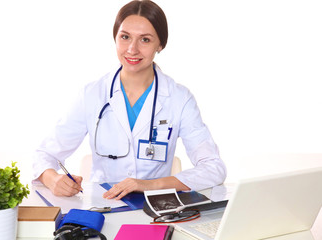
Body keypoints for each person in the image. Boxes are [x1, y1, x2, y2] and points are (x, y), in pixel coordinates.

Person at [33, 0, 226, 200]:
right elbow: (44, 154)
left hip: (156, 210)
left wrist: (149, 185)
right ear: (115, 39)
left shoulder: (179, 99)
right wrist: (52, 179)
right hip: (103, 207)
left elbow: (213, 167)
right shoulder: (92, 94)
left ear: (160, 44)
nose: (132, 49)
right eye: (125, 37)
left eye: (145, 40)